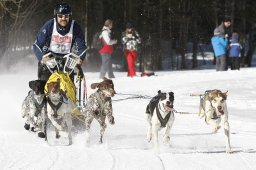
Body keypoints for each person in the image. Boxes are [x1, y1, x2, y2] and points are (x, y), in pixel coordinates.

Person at [33, 2, 87, 81]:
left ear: (70, 16)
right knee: (44, 84)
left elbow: (82, 47)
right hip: (50, 56)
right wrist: (42, 57)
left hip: (67, 58)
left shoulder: (75, 27)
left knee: (68, 85)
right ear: (56, 16)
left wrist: (79, 58)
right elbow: (37, 45)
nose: (63, 18)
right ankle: (40, 91)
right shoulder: (50, 25)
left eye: (66, 16)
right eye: (60, 16)